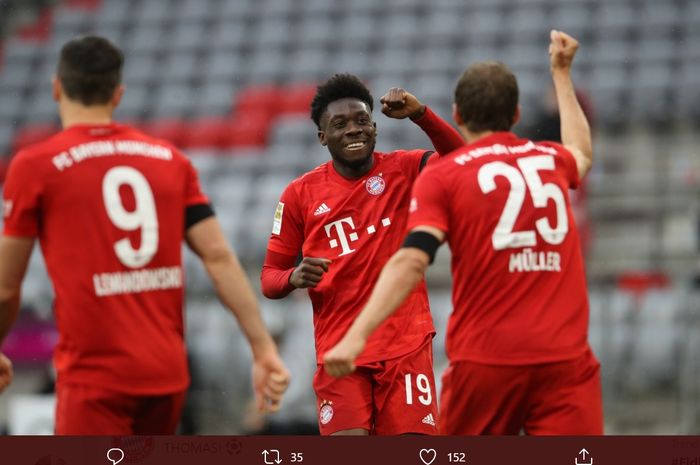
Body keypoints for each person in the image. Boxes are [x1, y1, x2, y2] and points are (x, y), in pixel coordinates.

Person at [0, 35, 290, 435]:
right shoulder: (170, 159)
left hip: (95, 377)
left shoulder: (35, 166)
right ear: (118, 94)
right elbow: (219, 257)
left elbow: (4, 288)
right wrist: (262, 347)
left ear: (56, 87)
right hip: (166, 376)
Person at [324, 31, 604, 435]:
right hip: (565, 360)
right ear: (515, 114)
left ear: (457, 114)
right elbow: (582, 151)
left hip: (486, 362)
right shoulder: (550, 160)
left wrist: (356, 336)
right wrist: (561, 72)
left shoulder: (445, 175)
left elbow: (410, 260)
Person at [260, 73, 464, 435]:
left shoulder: (406, 168)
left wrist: (421, 115)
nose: (353, 130)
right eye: (339, 124)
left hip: (406, 346)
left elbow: (463, 161)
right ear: (322, 137)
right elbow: (269, 279)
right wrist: (293, 277)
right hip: (341, 355)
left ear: (375, 127)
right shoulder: (298, 195)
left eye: (361, 121)